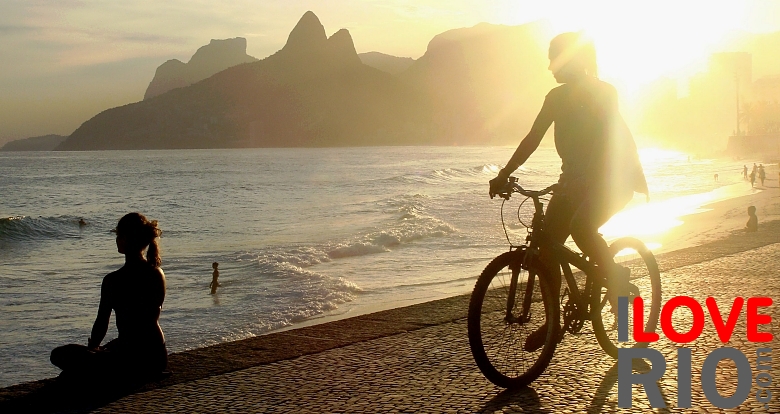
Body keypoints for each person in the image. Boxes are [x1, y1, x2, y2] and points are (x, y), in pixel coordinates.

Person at [489, 32, 648, 352]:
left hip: (614, 177)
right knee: (547, 244)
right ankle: (553, 323)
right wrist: (505, 173)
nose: (549, 66)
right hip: (574, 181)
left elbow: (608, 139)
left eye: (554, 59)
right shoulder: (555, 98)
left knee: (580, 227)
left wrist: (587, 178)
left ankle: (615, 279)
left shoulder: (605, 92)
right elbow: (532, 138)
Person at [50, 212, 167, 381]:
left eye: (119, 235)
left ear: (126, 239)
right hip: (156, 356)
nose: (117, 239)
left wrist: (93, 347)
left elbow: (102, 321)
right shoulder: (157, 274)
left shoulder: (113, 280)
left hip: (130, 358)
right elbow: (148, 318)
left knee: (59, 355)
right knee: (108, 350)